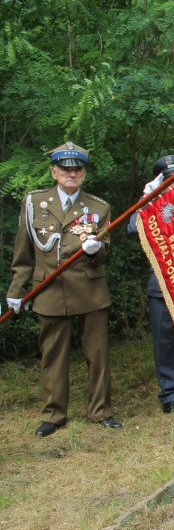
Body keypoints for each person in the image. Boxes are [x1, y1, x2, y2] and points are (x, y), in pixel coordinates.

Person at [7, 141, 121, 437]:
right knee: (53, 355)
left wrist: (96, 250)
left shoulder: (98, 207)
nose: (72, 173)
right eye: (65, 169)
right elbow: (23, 252)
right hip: (50, 289)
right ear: (54, 172)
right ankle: (53, 415)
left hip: (90, 289)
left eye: (78, 169)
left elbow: (104, 253)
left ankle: (100, 411)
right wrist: (17, 291)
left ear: (84, 173)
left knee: (98, 354)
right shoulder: (34, 203)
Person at [128, 155, 174, 414]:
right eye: (168, 179)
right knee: (164, 342)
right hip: (161, 282)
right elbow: (132, 227)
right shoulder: (153, 205)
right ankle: (169, 393)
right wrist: (148, 198)